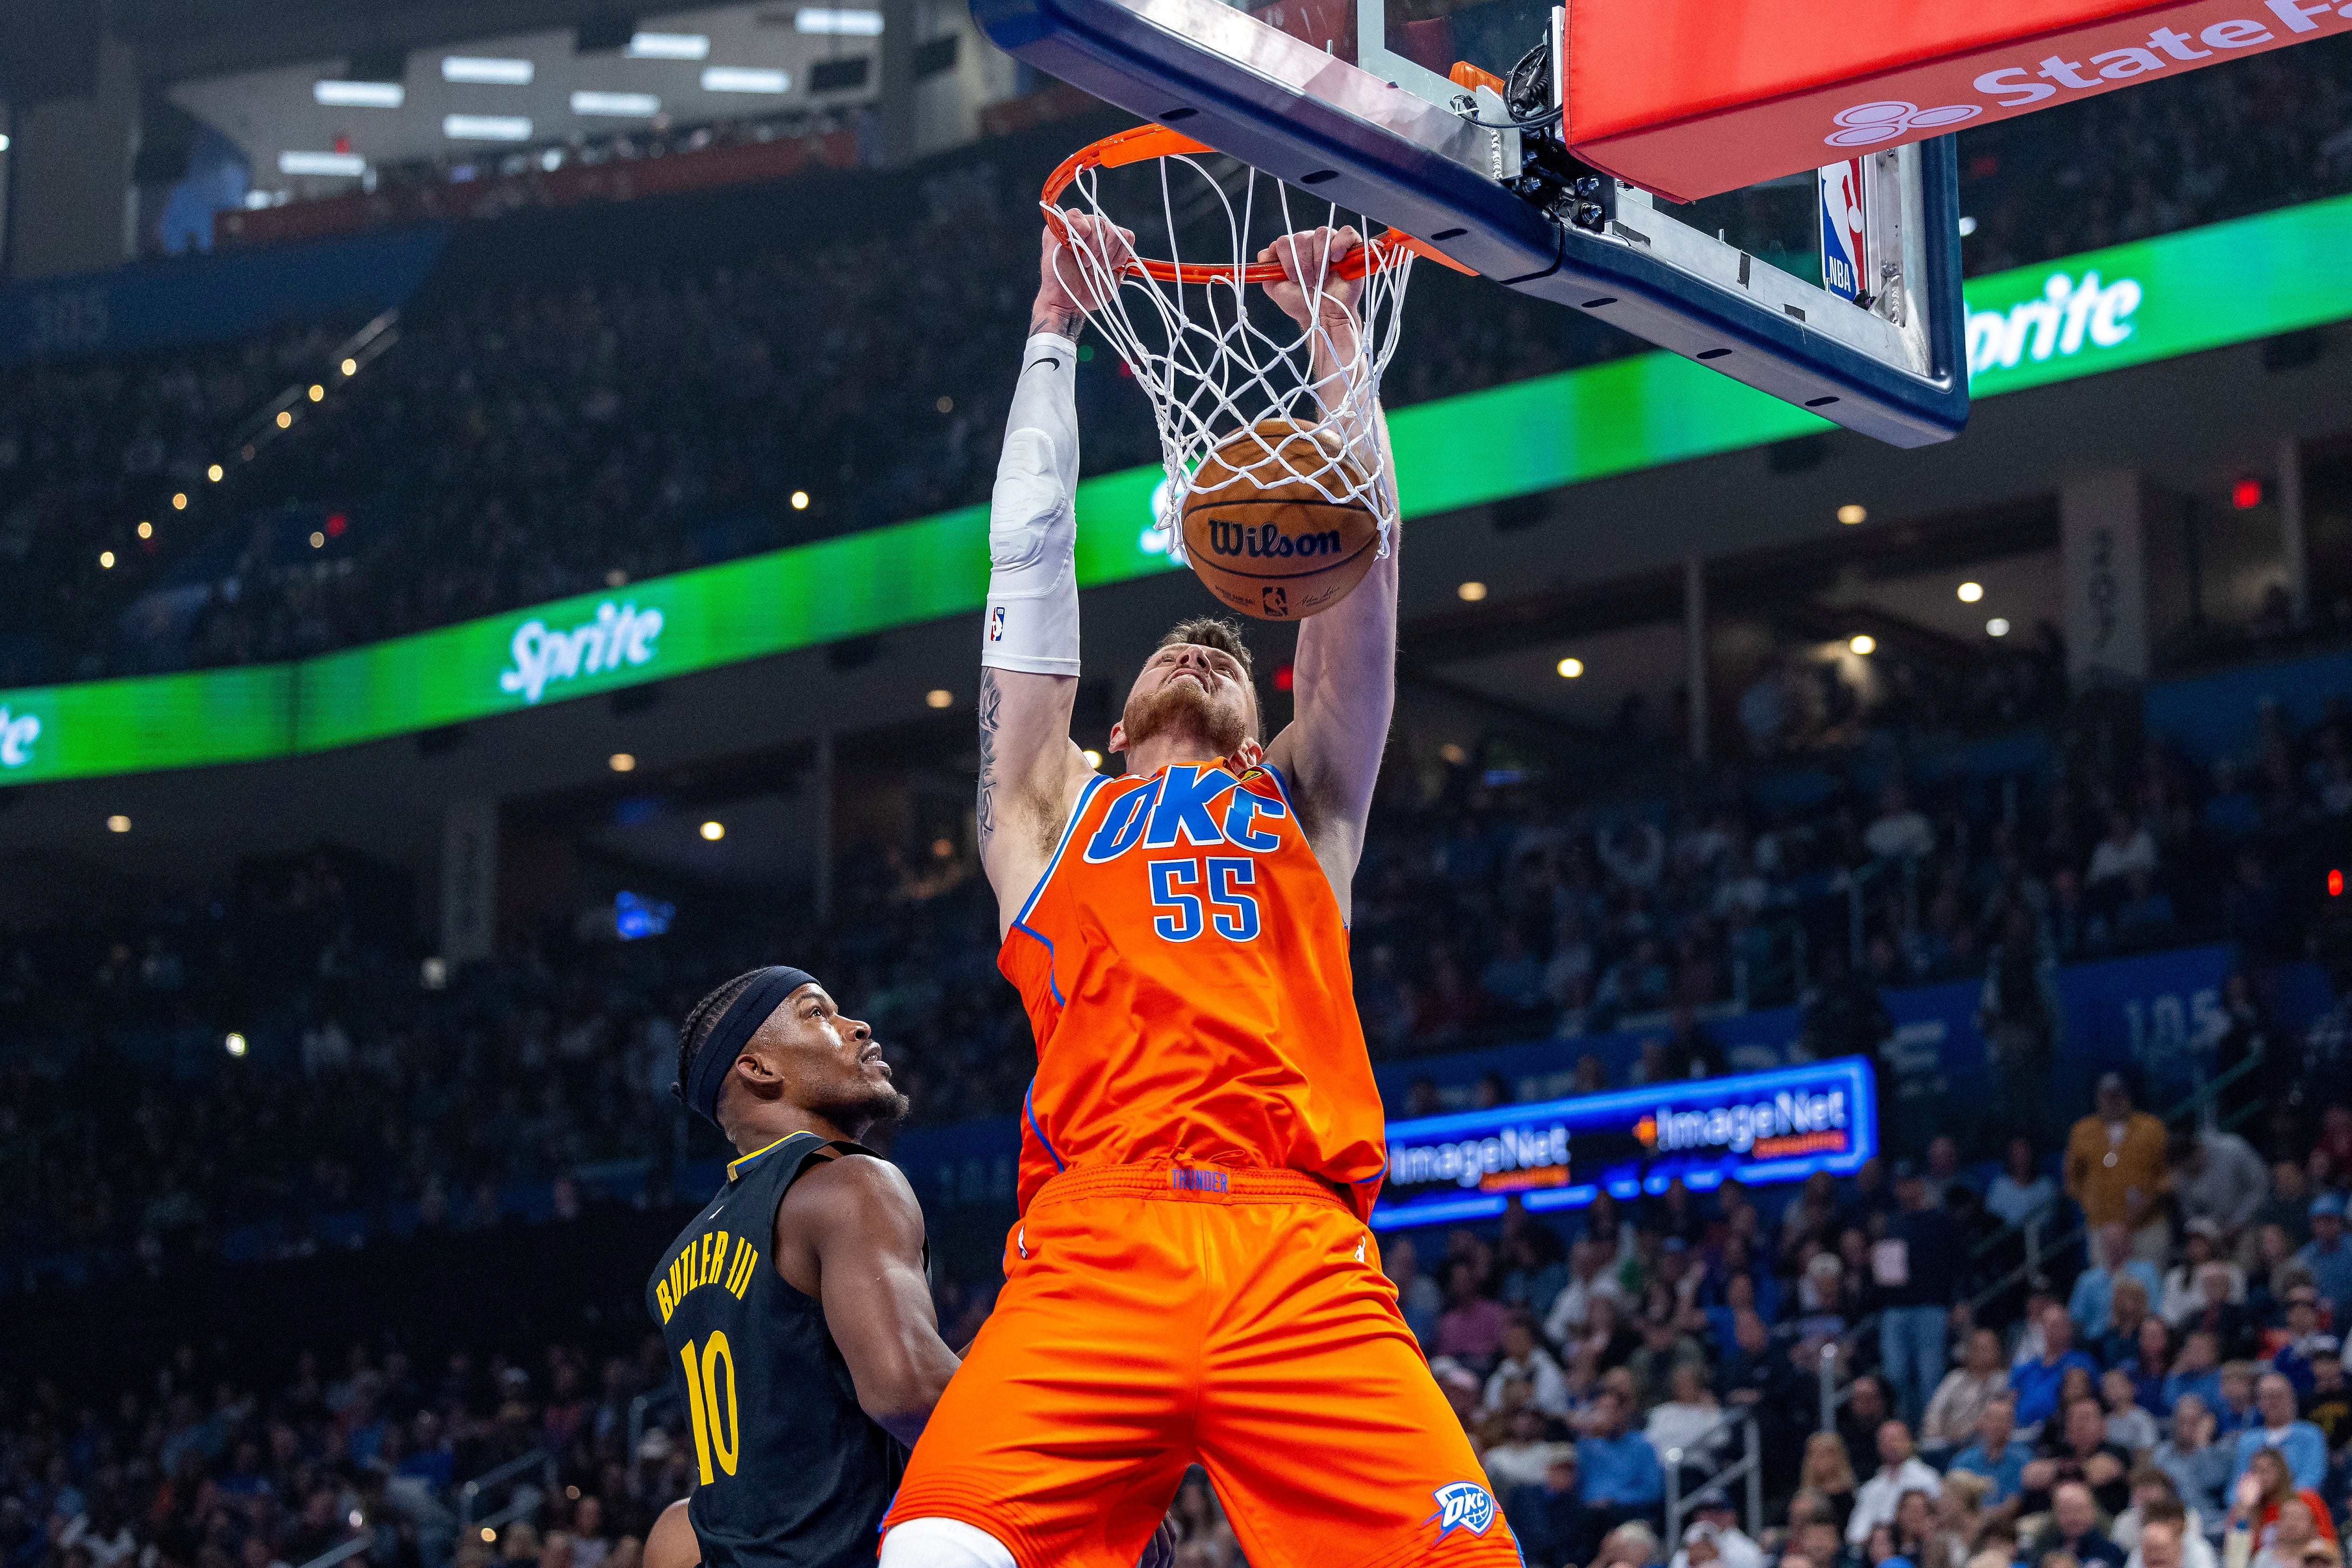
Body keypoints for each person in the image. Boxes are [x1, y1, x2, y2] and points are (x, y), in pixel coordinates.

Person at [883, 219, 1520, 1568]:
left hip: (1295, 1248)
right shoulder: (1046, 809)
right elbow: (1027, 573)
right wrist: (1052, 332)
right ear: (1107, 727)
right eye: (1181, 639)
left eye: (1230, 649)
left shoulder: (1300, 798)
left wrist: (1335, 342)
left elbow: (1362, 597)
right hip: (1093, 1243)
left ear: (1253, 729)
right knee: (936, 1553)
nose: (1204, 640)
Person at [653, 968, 961, 1568]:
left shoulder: (675, 1265)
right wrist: (1079, 1487)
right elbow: (907, 1391)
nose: (857, 1025)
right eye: (818, 1013)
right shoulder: (848, 1180)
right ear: (758, 1070)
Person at [1879, 1167, 1962, 1425]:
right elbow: (1886, 1273)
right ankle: (1906, 1431)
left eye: (1911, 1183)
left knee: (1931, 1378)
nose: (1906, 1189)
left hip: (1931, 1308)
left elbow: (1959, 1263)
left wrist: (1959, 1301)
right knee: (1894, 1375)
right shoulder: (1892, 1224)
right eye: (1901, 1184)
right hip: (1896, 1309)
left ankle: (1930, 1436)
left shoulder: (1940, 1219)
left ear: (1921, 1185)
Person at [2019, 1396, 2133, 1518]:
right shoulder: (2057, 1450)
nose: (2080, 1424)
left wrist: (2059, 1471)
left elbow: (2099, 1472)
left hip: (2099, 1518)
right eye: (2074, 1419)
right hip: (2053, 1519)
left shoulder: (2116, 1451)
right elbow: (2030, 1475)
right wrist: (2074, 1469)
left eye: (2086, 1419)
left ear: (2102, 1425)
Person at [1578, 1387, 1666, 1530]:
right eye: (1600, 1411)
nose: (1605, 1416)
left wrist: (1614, 1501)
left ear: (1623, 1413)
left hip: (1626, 1514)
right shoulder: (1587, 1445)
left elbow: (1652, 1491)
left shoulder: (1642, 1446)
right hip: (1589, 1516)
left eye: (1610, 1411)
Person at [1847, 1422, 1941, 1549]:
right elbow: (1855, 1533)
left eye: (1896, 1439)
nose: (1890, 1444)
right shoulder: (1870, 1489)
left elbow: (1934, 1522)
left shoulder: (1928, 1479)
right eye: (1885, 1440)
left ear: (1909, 1442)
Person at [1923, 1330, 2013, 1459]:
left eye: (1987, 1348)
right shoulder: (1954, 1379)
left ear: (1998, 1351)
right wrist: (1937, 1435)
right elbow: (1934, 1413)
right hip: (1949, 1444)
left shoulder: (2005, 1381)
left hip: (1986, 1443)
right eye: (1978, 1348)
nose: (1982, 1352)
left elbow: (2008, 1416)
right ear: (1969, 1351)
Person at [2227, 1375, 2326, 1491]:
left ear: (2291, 1399)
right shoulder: (2248, 1441)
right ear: (2259, 1403)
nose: (2273, 1402)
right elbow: (2239, 1482)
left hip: (2297, 1502)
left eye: (2278, 1396)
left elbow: (2312, 1478)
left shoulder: (2310, 1435)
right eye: (2267, 1397)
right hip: (2258, 1504)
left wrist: (2281, 1500)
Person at [2153, 1395, 2232, 1539]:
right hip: (2171, 1520)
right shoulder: (2163, 1453)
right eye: (2183, 1421)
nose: (2187, 1428)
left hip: (2208, 1522)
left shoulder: (2220, 1452)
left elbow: (2213, 1482)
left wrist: (2202, 1444)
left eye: (2194, 1422)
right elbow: (2155, 1487)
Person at [2014, 1304, 2103, 1431]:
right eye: (2048, 1325)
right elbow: (2010, 1397)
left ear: (2068, 1329)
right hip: (2021, 1431)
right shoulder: (2027, 1368)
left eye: (2057, 1325)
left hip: (2061, 1429)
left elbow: (2096, 1394)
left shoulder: (2082, 1361)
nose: (2052, 1330)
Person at [1502, 1452, 1596, 1568]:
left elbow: (1573, 1547)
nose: (1564, 1475)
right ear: (1549, 1470)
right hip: (1521, 1558)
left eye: (1569, 1471)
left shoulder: (1576, 1507)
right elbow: (1510, 1527)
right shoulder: (1523, 1495)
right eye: (1560, 1470)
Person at [1949, 1397, 2030, 1511]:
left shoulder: (2023, 1459)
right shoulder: (1963, 1460)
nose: (1997, 1425)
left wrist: (1983, 1520)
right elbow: (1954, 1499)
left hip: (2004, 1524)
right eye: (1992, 1419)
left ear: (2012, 1425)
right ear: (1982, 1422)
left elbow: (2015, 1504)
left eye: (2003, 1420)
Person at [2032, 1481, 2126, 1568]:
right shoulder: (2042, 1548)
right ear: (2056, 1514)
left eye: (2079, 1510)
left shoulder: (2110, 1552)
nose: (2073, 1517)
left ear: (2093, 1512)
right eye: (2067, 1511)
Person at [2291, 1195, 2352, 1325]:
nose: (2324, 1226)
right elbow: (2298, 1290)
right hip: (2317, 1319)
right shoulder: (2305, 1256)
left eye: (2329, 1220)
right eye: (2319, 1221)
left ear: (2340, 1222)